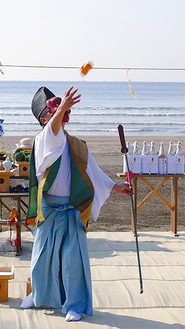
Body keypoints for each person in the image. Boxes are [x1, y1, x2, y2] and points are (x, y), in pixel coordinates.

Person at [20, 86, 131, 321]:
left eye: (62, 110)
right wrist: (60, 109)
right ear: (44, 118)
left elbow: (93, 170)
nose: (62, 113)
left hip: (71, 209)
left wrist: (114, 186)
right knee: (41, 257)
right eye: (55, 110)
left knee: (72, 261)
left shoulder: (77, 144)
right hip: (49, 209)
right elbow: (53, 134)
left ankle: (73, 304)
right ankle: (38, 294)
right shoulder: (43, 139)